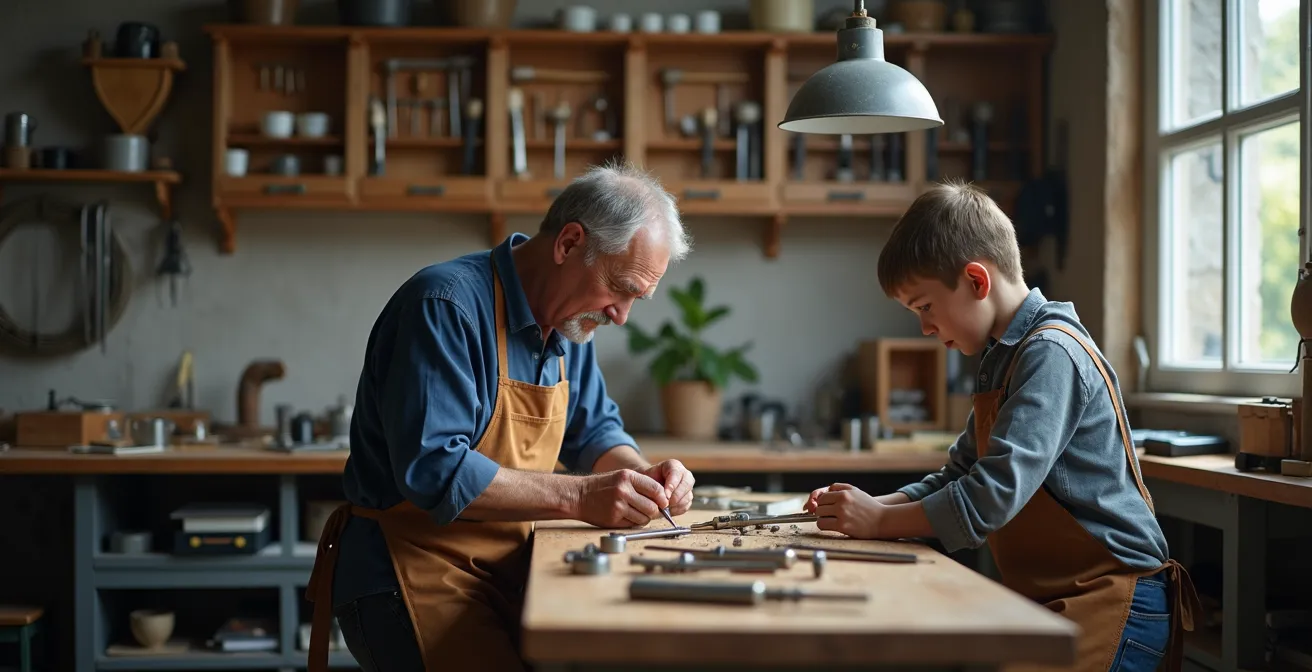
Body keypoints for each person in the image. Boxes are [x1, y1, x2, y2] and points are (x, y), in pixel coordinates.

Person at [306, 162, 698, 672]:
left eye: (635, 299)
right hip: (407, 571)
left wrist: (642, 477)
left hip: (505, 570)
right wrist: (581, 496)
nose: (621, 315)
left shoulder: (570, 324)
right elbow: (435, 470)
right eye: (619, 288)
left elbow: (596, 431)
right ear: (569, 243)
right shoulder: (444, 306)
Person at [804, 180, 1199, 672]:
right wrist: (865, 507)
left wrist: (880, 522)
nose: (925, 328)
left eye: (925, 306)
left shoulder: (1051, 353)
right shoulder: (1004, 357)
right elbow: (958, 475)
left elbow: (991, 495)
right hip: (1058, 596)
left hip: (1116, 599)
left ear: (977, 280)